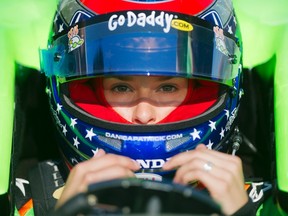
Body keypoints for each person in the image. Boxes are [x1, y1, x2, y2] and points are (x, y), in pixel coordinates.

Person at [11, 0, 279, 215]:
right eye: (121, 88)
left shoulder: (265, 204)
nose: (143, 114)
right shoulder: (24, 203)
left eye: (168, 88)